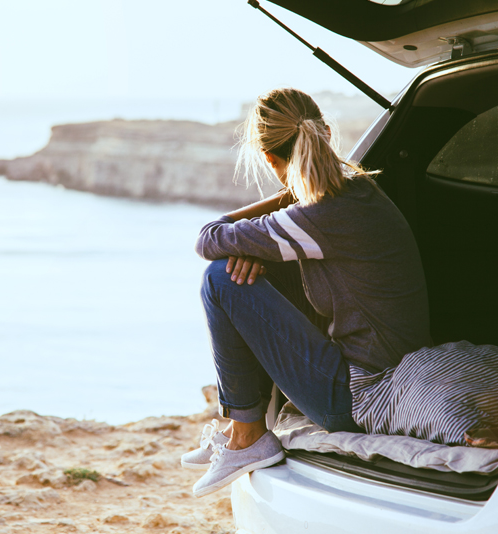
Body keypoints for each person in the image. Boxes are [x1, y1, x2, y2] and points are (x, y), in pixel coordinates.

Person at [184, 88, 431, 498]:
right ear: (326, 134)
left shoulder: (320, 215)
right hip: (388, 369)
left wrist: (267, 220)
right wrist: (258, 249)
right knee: (243, 269)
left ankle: (247, 436)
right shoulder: (358, 192)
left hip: (361, 396)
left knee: (220, 278)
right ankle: (236, 425)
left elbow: (209, 239)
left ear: (269, 158)